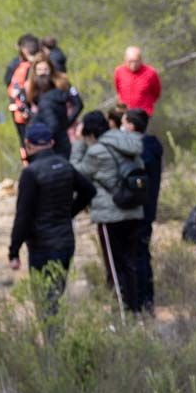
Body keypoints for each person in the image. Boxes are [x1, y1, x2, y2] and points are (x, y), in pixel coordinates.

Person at [8, 122, 96, 315]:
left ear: (28, 144)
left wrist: (14, 251)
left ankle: (52, 343)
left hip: (42, 247)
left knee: (46, 303)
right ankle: (57, 341)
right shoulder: (65, 165)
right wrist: (68, 213)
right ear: (52, 142)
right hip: (65, 243)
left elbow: (23, 216)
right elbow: (89, 190)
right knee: (55, 297)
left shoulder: (30, 173)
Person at [70, 110, 145, 312]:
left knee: (114, 267)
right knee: (130, 264)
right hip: (134, 210)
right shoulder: (130, 143)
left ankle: (121, 315)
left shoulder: (96, 151)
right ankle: (135, 311)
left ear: (91, 133)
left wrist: (77, 143)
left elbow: (76, 172)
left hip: (110, 215)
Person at [123, 108, 161, 314]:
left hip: (140, 213)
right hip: (146, 211)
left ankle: (142, 303)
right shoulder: (151, 148)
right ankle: (146, 301)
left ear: (131, 125)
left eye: (123, 123)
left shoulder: (142, 150)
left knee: (138, 257)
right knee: (142, 255)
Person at [26, 55, 83, 159]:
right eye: (39, 70)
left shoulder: (62, 82)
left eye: (46, 69)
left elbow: (78, 103)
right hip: (46, 134)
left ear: (51, 69)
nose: (43, 72)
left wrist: (68, 123)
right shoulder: (31, 87)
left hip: (66, 129)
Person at [5, 34, 40, 162]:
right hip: (20, 111)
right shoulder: (18, 65)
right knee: (24, 143)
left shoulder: (36, 65)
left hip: (31, 113)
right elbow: (10, 84)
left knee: (33, 141)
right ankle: (27, 165)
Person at [114, 46, 161, 118]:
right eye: (130, 61)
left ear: (141, 60)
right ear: (125, 60)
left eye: (136, 61)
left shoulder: (150, 72)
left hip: (143, 115)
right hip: (124, 114)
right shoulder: (119, 71)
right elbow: (118, 90)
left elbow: (156, 93)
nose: (133, 64)